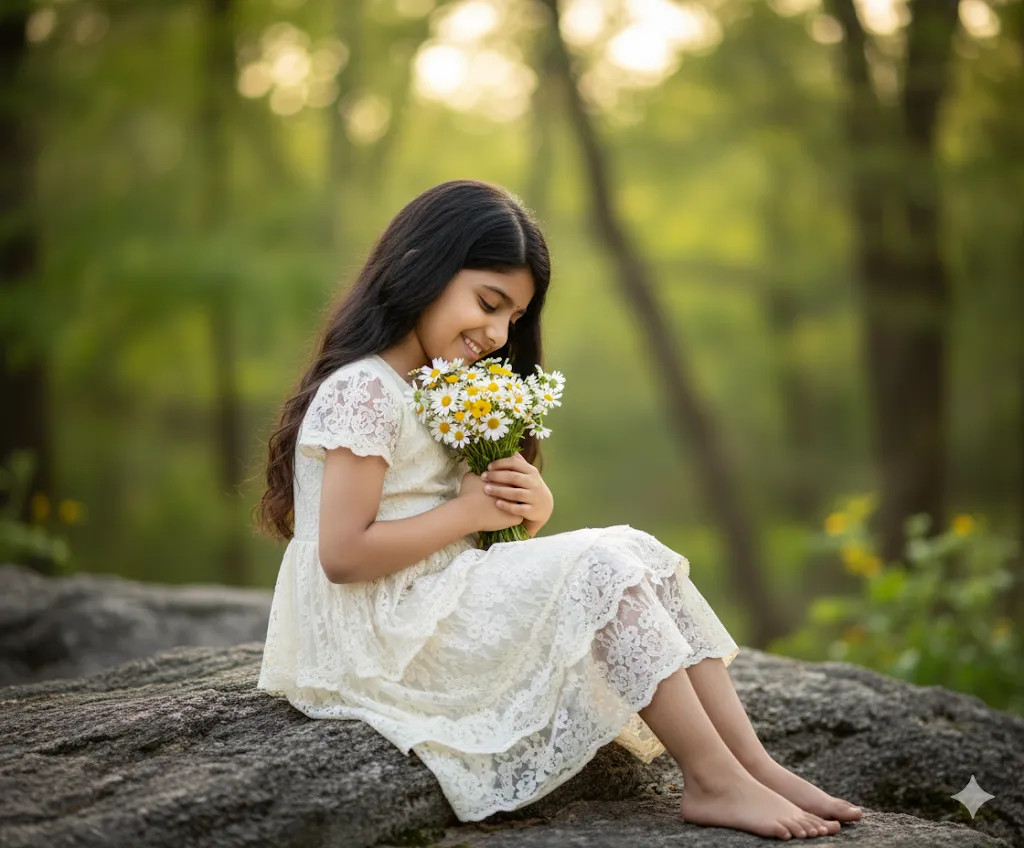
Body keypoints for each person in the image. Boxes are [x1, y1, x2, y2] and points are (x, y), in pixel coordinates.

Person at [254, 179, 862, 839]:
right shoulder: (364, 390)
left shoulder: (438, 390)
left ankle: (751, 766)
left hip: (428, 605)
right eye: (488, 303)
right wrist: (469, 514)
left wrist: (524, 513)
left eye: (513, 319)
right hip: (375, 638)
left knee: (635, 550)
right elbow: (343, 555)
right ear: (420, 267)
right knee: (601, 564)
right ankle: (713, 781)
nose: (496, 334)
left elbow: (459, 533)